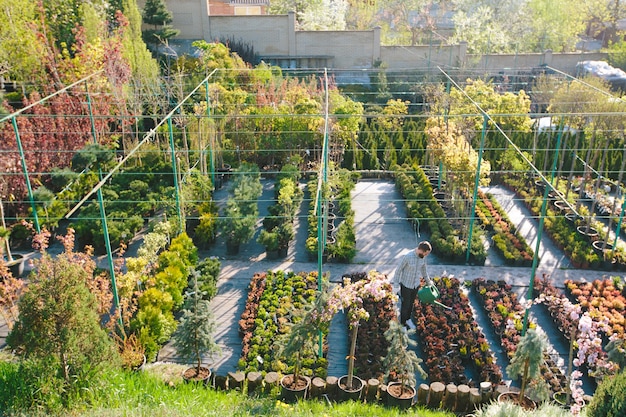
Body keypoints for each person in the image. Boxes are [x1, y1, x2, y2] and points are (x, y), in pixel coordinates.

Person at [392, 240, 433, 329]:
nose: (426, 255)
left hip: (415, 285)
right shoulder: (407, 257)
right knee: (405, 305)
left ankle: (408, 320)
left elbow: (424, 270)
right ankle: (402, 324)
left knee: (411, 304)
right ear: (421, 250)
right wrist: (395, 285)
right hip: (406, 285)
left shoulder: (423, 258)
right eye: (426, 253)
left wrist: (429, 282)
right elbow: (398, 270)